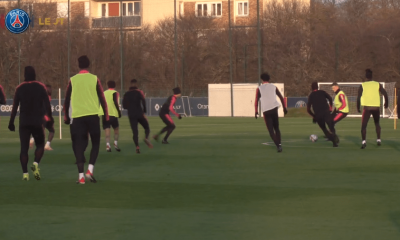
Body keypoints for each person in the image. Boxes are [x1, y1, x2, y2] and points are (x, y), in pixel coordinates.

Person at [63, 55, 109, 184]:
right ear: (89, 65)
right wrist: (106, 117)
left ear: (78, 65)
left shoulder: (72, 80)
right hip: (93, 116)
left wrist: (66, 117)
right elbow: (102, 99)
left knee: (78, 145)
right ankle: (90, 169)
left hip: (77, 117)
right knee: (95, 143)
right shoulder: (94, 79)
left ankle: (81, 176)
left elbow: (66, 100)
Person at [8, 66, 53, 181]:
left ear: (24, 75)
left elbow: (14, 107)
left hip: (24, 122)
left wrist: (11, 122)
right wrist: (50, 118)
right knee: (40, 145)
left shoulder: (20, 88)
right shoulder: (40, 86)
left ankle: (25, 174)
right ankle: (35, 164)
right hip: (37, 122)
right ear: (34, 74)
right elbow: (47, 104)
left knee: (24, 149)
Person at [255, 72, 288, 152]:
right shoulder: (274, 87)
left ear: (262, 80)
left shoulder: (259, 88)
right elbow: (280, 97)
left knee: (271, 130)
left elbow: (256, 100)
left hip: (266, 111)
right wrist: (284, 108)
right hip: (274, 109)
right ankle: (279, 144)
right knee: (276, 128)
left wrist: (256, 111)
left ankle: (278, 146)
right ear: (269, 79)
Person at [357, 69, 388, 149]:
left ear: (366, 76)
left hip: (367, 108)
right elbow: (385, 93)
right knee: (377, 124)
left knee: (364, 126)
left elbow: (359, 96)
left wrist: (358, 106)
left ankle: (364, 141)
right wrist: (386, 103)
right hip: (376, 108)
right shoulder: (377, 84)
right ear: (372, 76)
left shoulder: (363, 85)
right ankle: (378, 139)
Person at [123, 79, 153, 153]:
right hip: (139, 113)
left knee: (135, 132)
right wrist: (144, 112)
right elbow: (143, 101)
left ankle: (137, 146)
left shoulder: (126, 94)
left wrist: (130, 107)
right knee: (147, 127)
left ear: (130, 84)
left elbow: (124, 106)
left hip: (131, 114)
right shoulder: (139, 92)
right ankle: (146, 137)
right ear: (136, 84)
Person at [307, 82, 339, 147]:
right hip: (326, 112)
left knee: (324, 129)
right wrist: (330, 108)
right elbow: (330, 98)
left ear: (311, 88)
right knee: (331, 126)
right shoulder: (322, 92)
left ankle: (332, 138)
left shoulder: (311, 96)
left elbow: (308, 109)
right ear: (317, 87)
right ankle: (334, 140)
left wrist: (314, 116)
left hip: (318, 115)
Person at [30, 84, 55, 151]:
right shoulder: (46, 96)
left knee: (43, 129)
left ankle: (33, 140)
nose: (51, 90)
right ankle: (46, 145)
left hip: (40, 115)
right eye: (49, 89)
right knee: (50, 130)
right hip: (45, 115)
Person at [100, 80, 122, 152]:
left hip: (104, 114)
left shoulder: (104, 93)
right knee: (116, 129)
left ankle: (107, 145)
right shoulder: (115, 93)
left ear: (107, 86)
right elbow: (115, 102)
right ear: (115, 86)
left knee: (107, 129)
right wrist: (119, 112)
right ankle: (115, 143)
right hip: (112, 114)